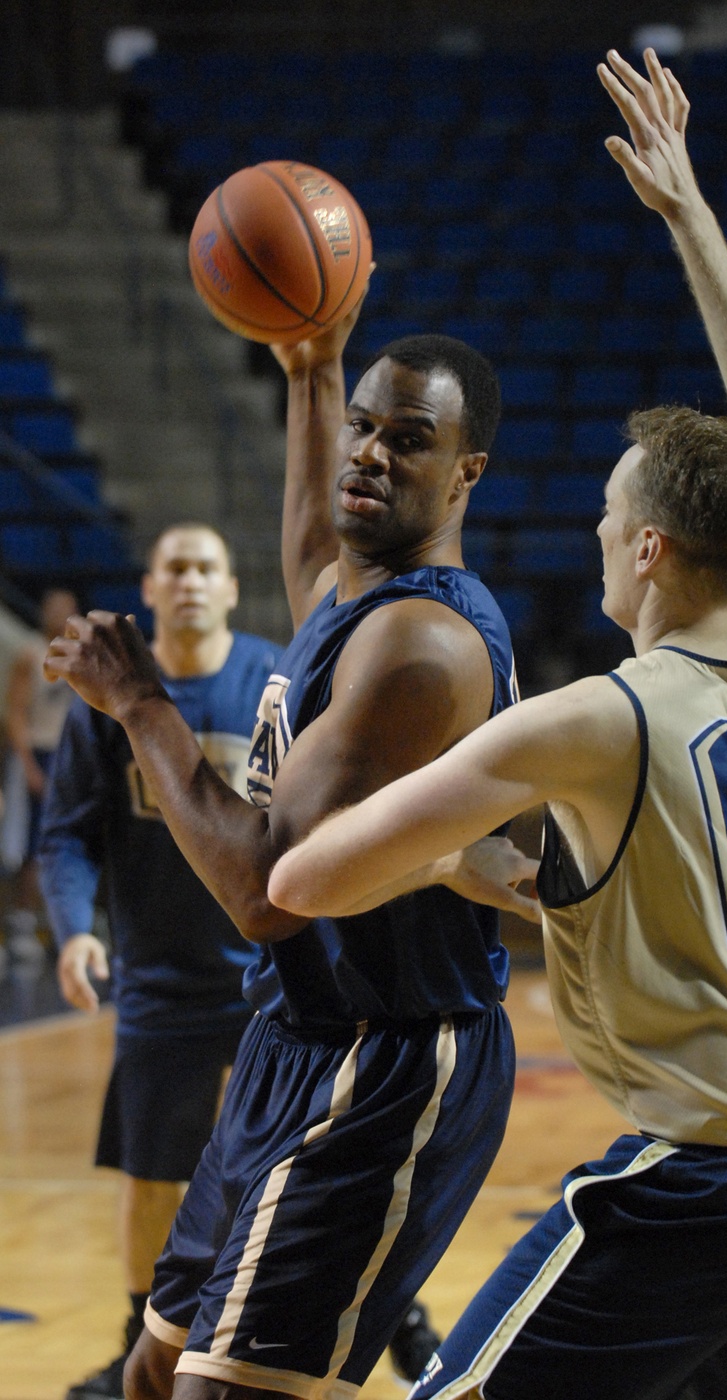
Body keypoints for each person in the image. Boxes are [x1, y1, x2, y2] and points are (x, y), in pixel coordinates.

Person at [265, 50, 727, 1400]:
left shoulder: (586, 721)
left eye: (613, 514)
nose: (598, 530)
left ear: (653, 550)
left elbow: (306, 876)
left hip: (718, 1172)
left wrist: (433, 847)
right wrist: (692, 219)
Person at [43, 297, 538, 1394]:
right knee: (153, 1372)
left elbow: (269, 893)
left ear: (467, 472)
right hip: (294, 1035)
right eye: (364, 424)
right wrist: (313, 365)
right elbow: (313, 537)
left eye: (408, 438)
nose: (369, 451)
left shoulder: (420, 644)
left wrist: (139, 704)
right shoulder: (345, 593)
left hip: (388, 1059)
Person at [38, 526, 277, 1400]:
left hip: (267, 979)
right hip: (159, 982)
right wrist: (74, 929)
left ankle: (260, 1337)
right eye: (174, 567)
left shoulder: (272, 680)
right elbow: (64, 834)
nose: (189, 582)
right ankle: (139, 1341)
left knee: (272, 1172)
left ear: (231, 587)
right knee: (150, 1175)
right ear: (150, 585)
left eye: (206, 567)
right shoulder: (108, 696)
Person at [3, 585, 78, 964]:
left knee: (67, 841)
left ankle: (65, 925)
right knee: (30, 843)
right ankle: (23, 923)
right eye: (56, 608)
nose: (63, 615)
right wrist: (28, 764)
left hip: (69, 756)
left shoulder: (80, 657)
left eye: (69, 609)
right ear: (44, 612)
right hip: (37, 754)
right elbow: (14, 714)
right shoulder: (30, 655)